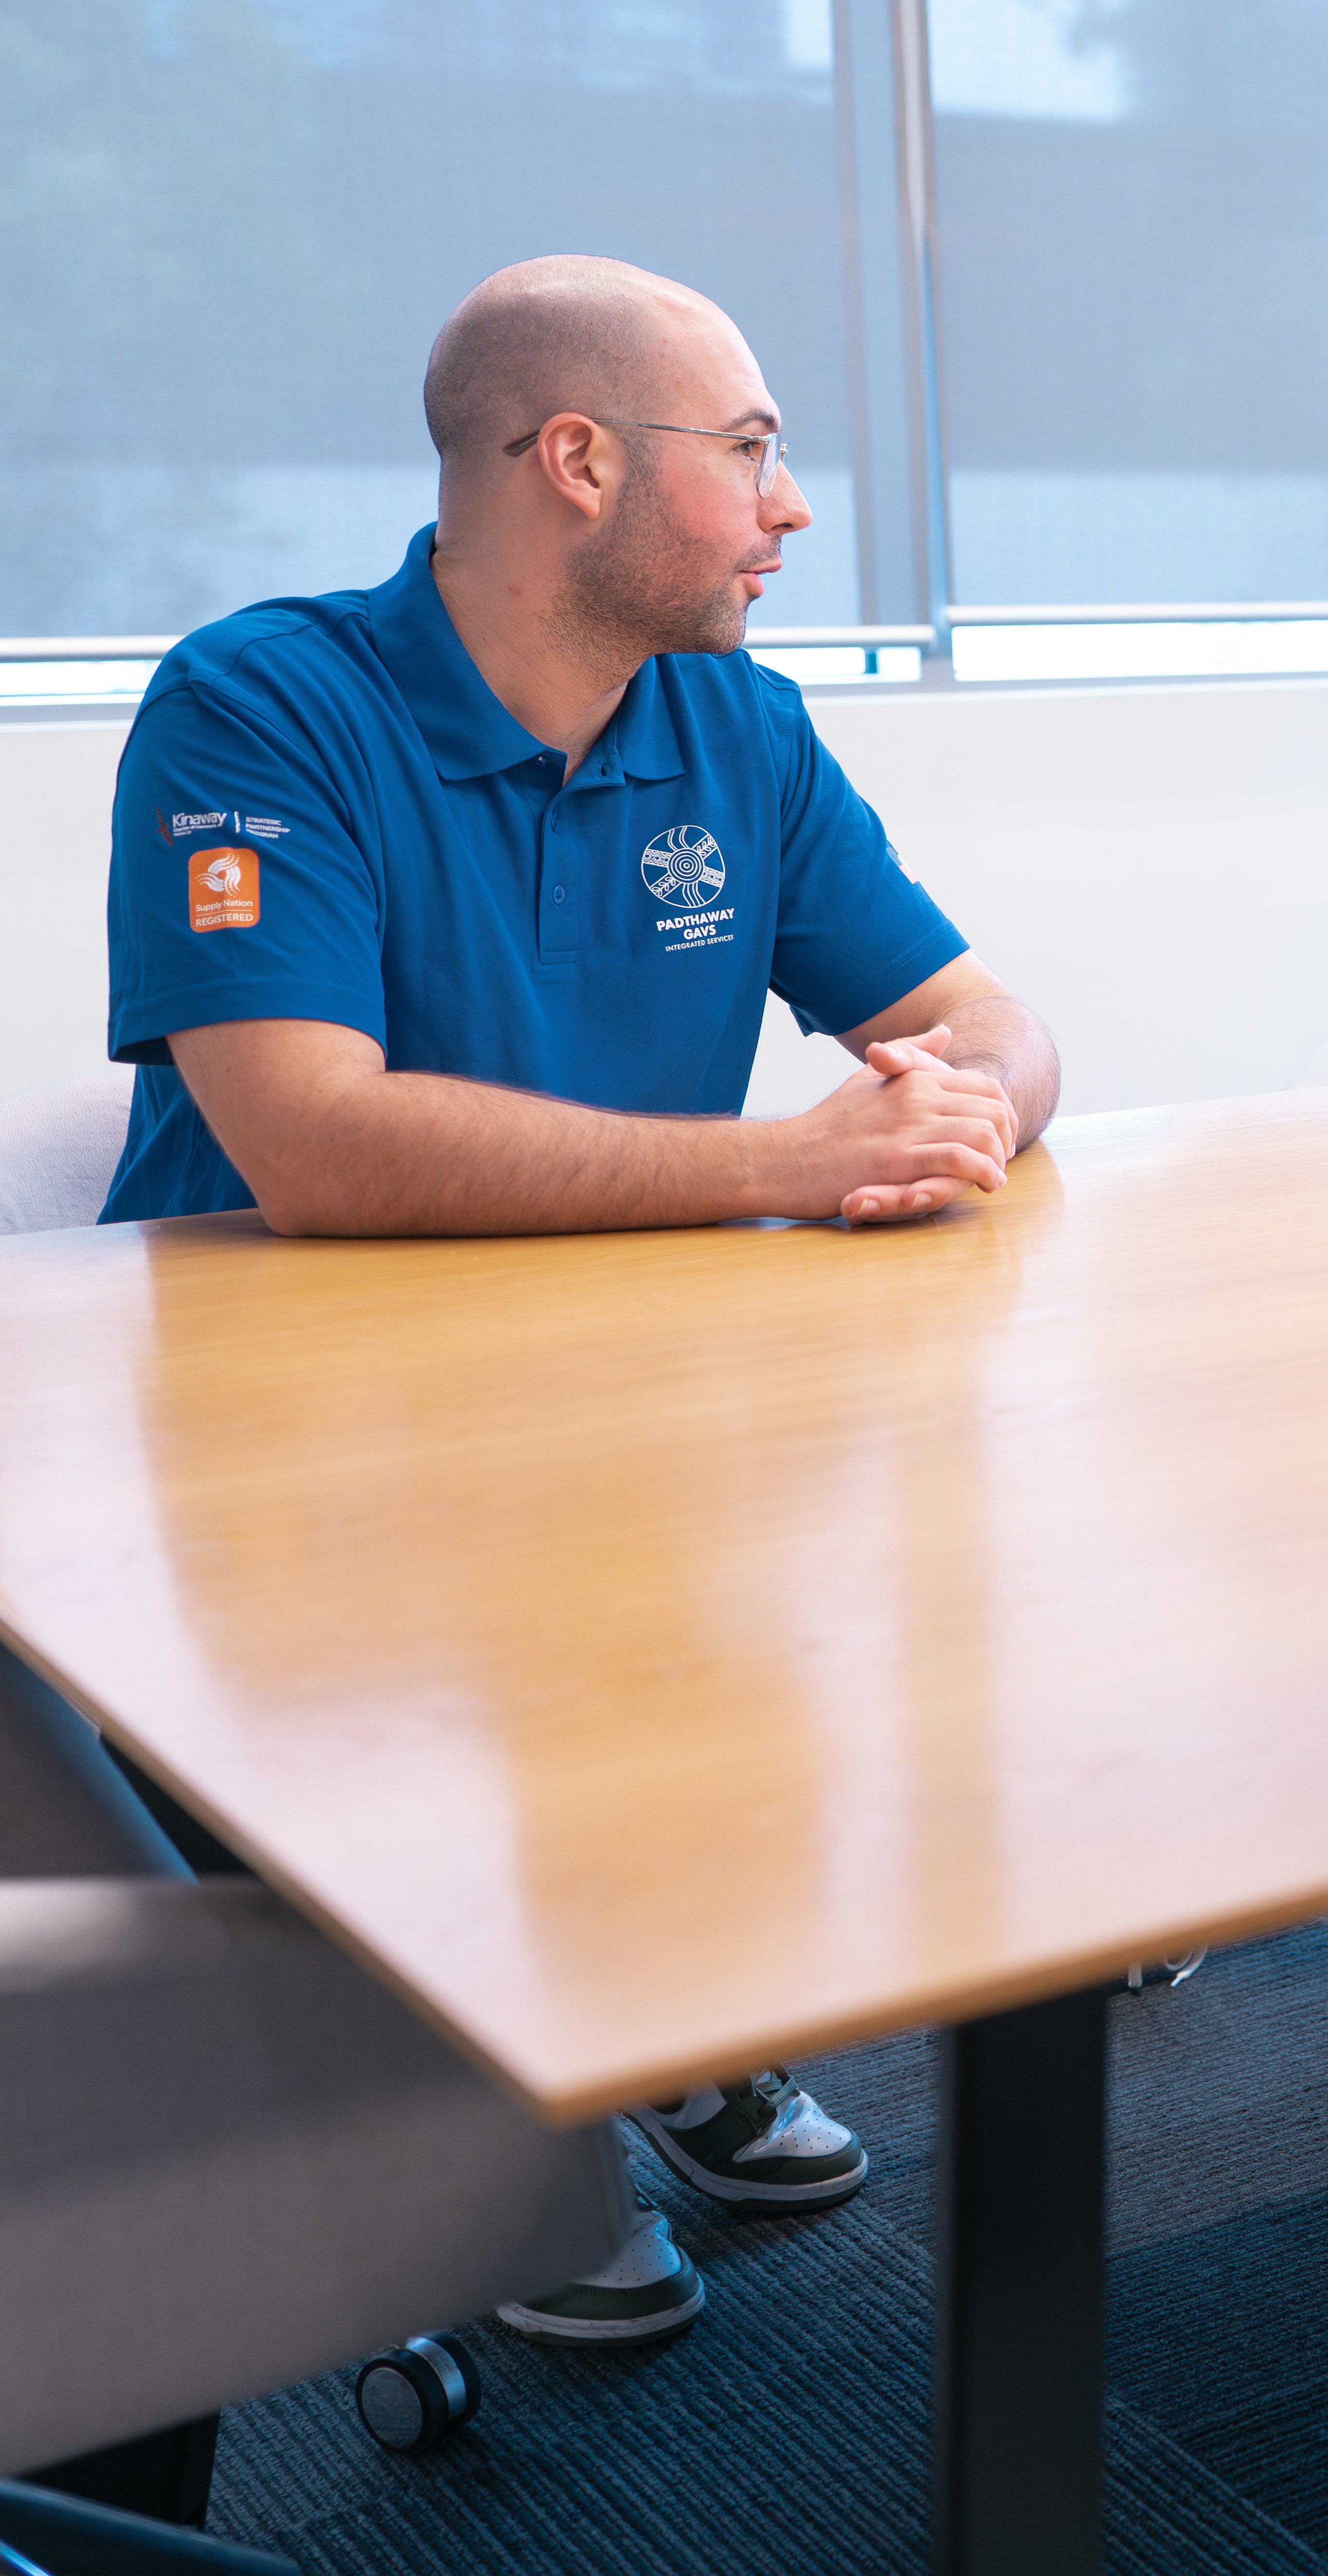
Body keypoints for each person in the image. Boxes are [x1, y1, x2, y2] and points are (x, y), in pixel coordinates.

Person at [100, 254, 1067, 2344]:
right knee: (590, 1610)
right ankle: (477, 2095)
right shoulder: (261, 705)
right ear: (577, 463)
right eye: (755, 453)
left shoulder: (738, 721)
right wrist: (794, 1165)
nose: (793, 508)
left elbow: (983, 1012)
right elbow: (316, 1145)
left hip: (618, 1403)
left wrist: (957, 1109)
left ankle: (659, 2015)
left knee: (838, 1559)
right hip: (292, 1456)